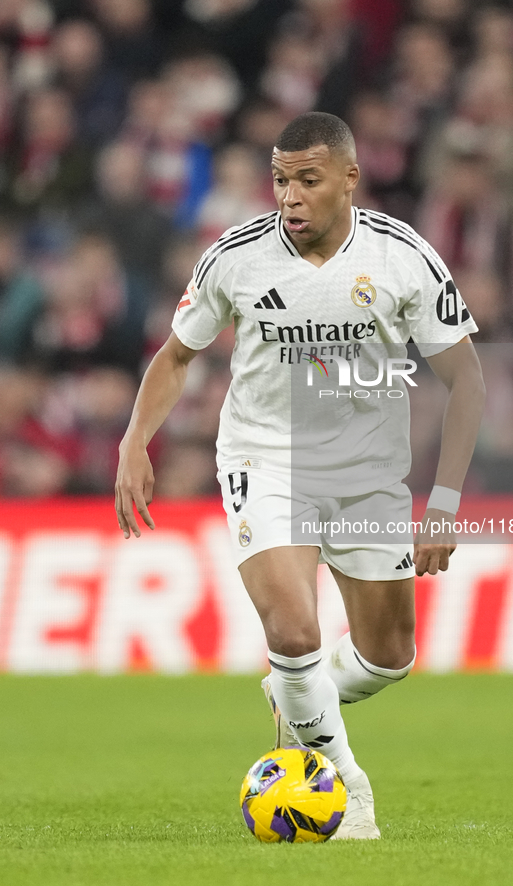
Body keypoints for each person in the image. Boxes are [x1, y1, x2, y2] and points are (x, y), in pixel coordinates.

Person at [115, 112, 485, 840]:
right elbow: (179, 355)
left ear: (349, 179)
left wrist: (443, 504)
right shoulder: (236, 256)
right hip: (264, 458)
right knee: (291, 629)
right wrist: (135, 439)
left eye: (307, 180)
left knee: (388, 656)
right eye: (281, 179)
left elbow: (465, 378)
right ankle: (344, 789)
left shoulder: (401, 255)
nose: (288, 195)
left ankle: (295, 698)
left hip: (369, 475)